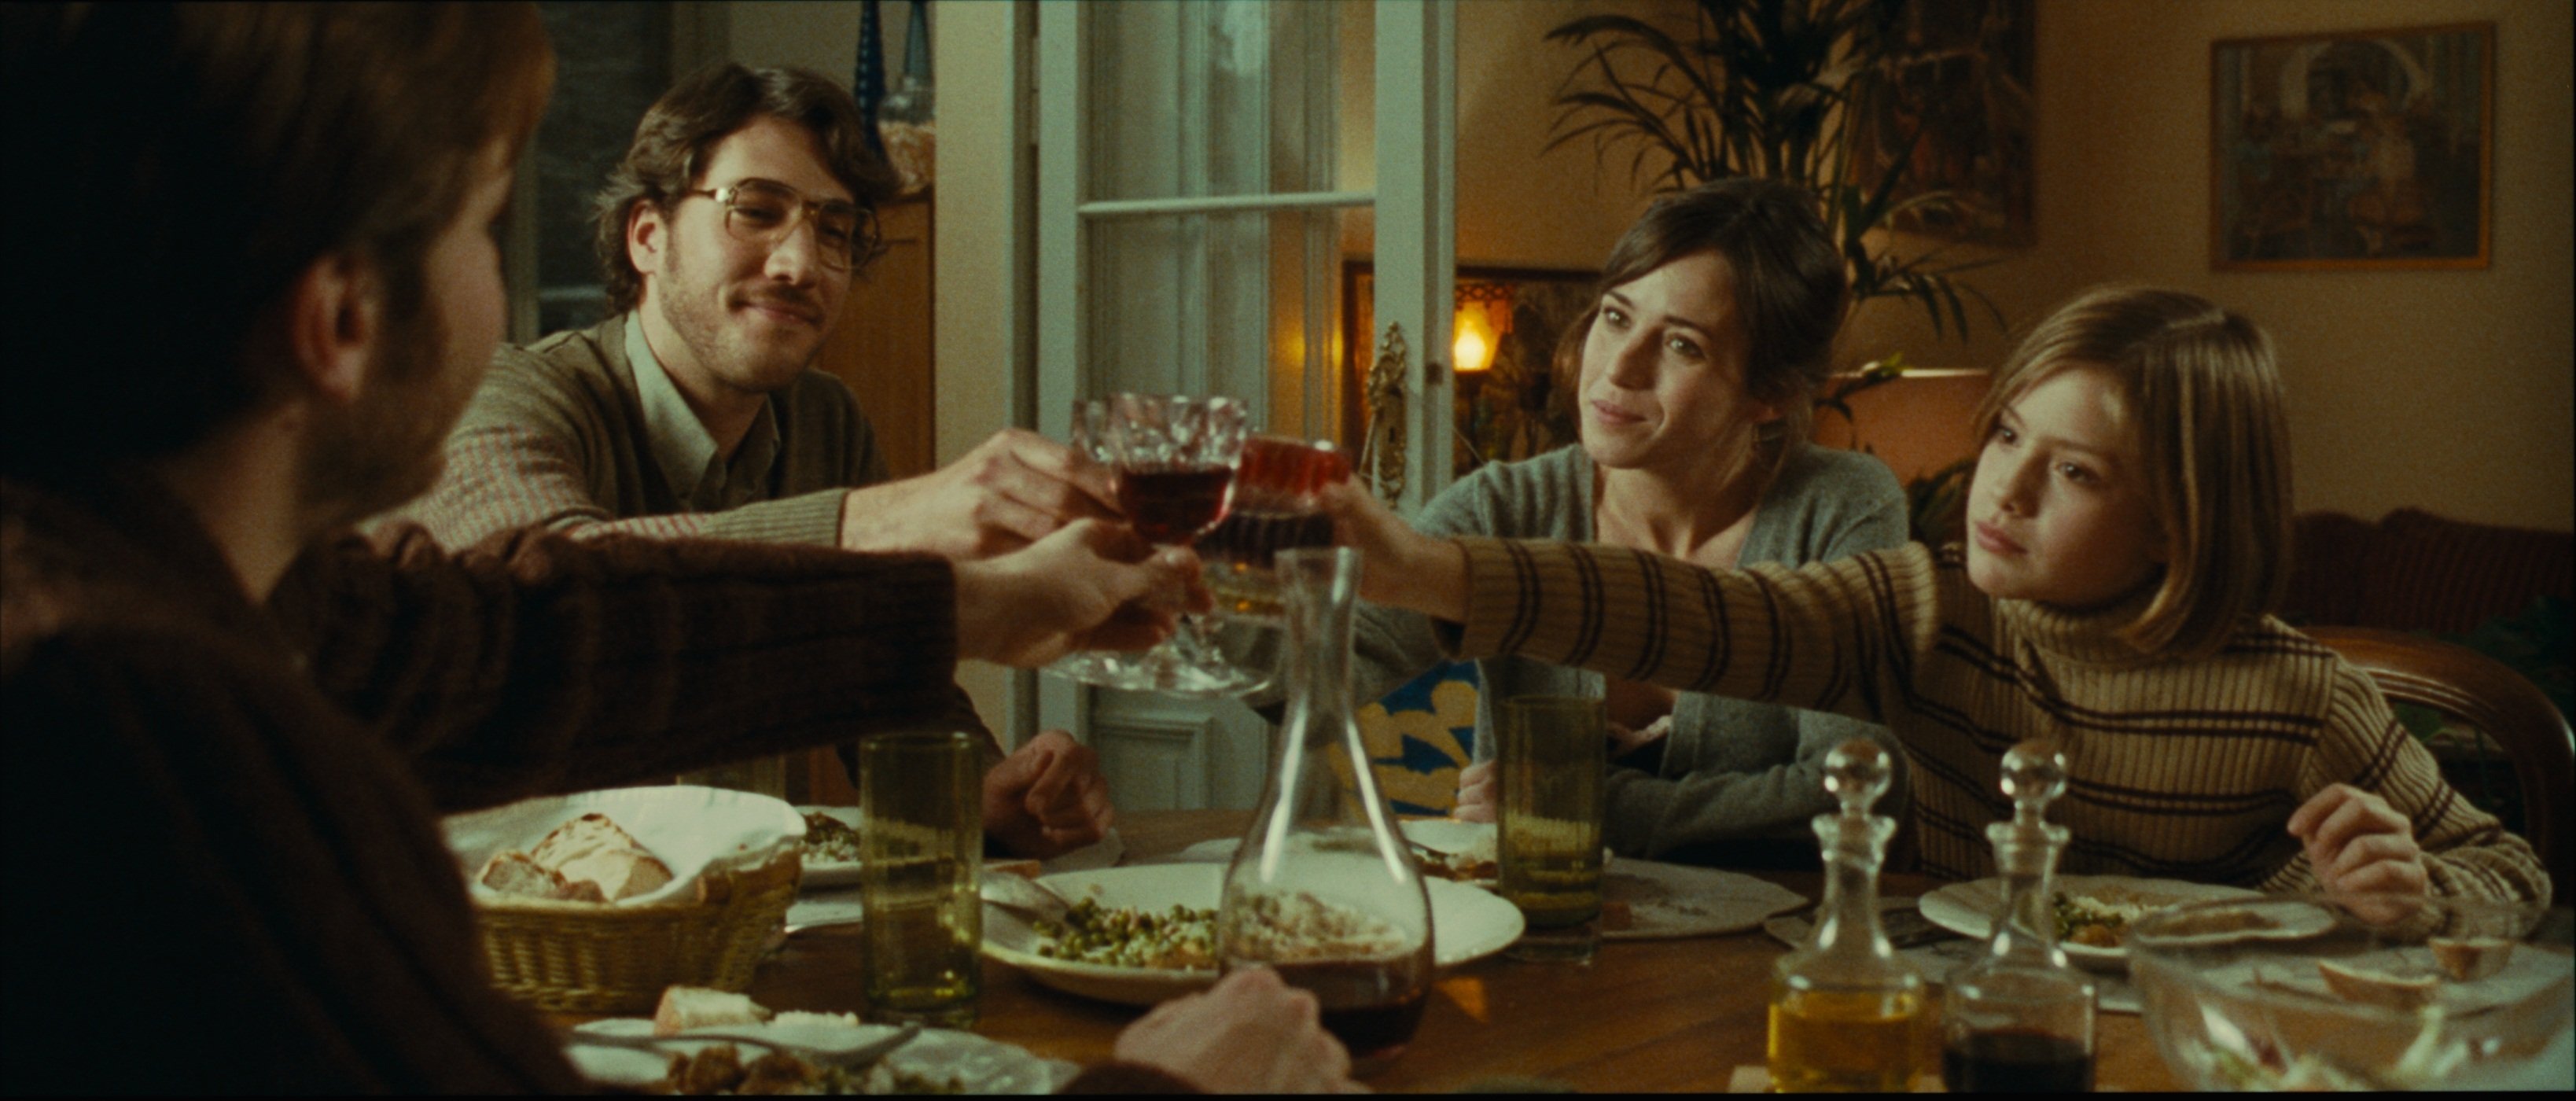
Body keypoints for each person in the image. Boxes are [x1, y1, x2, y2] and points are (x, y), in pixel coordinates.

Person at [0, 5, 1349, 1092]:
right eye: (481, 223)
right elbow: (552, 565)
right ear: (342, 315)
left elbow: (532, 640)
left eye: (834, 231)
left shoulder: (238, 602)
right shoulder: (136, 729)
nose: (801, 263)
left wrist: (972, 615)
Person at [1325, 285, 2548, 903]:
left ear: (2178, 519)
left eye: (2074, 471)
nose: (2002, 488)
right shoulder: (1922, 617)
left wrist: (2413, 889)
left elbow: (2508, 873)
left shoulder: (2297, 696)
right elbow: (1687, 613)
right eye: (2007, 435)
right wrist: (1423, 571)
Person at [382, 61, 1118, 857]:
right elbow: (550, 596)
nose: (800, 263)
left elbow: (883, 679)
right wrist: (886, 524)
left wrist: (976, 794)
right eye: (757, 211)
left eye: (834, 231)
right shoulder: (504, 397)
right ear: (647, 236)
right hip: (524, 919)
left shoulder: (827, 419)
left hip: (759, 914)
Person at [1349, 179, 1910, 866]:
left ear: (1773, 393)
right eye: (1616, 317)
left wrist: (1587, 805)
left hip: (1787, 928)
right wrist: (1245, 571)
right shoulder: (1503, 509)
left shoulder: (1842, 505)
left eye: (1682, 345)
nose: (1619, 368)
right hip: (1542, 919)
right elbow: (1328, 656)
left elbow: (1860, 792)